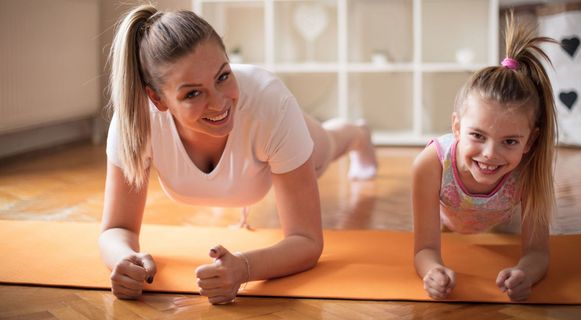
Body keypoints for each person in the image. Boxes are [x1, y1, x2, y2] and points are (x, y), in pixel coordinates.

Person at [98, 4, 377, 304]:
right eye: (192, 93)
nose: (219, 103)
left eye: (223, 76)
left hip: (279, 127)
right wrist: (124, 259)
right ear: (157, 99)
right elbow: (117, 228)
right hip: (251, 165)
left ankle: (358, 134)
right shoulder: (136, 121)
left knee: (330, 144)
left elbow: (307, 241)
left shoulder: (270, 102)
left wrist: (244, 268)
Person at [411, 13, 557, 302]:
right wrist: (433, 271)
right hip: (445, 221)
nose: (490, 154)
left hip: (503, 223)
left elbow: (537, 252)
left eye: (510, 141)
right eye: (477, 135)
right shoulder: (431, 164)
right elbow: (424, 249)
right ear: (456, 127)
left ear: (531, 141)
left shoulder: (530, 172)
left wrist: (525, 273)